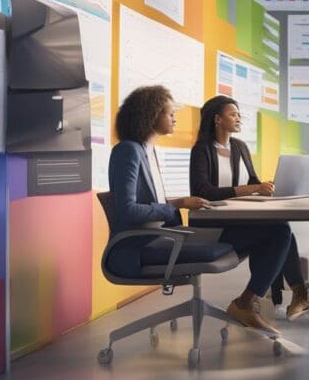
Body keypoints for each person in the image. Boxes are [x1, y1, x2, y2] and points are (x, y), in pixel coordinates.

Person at [107, 85, 290, 335]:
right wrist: (178, 204)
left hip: (169, 234)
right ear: (151, 115)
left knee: (277, 231)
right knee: (276, 233)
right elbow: (128, 211)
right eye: (169, 113)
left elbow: (150, 201)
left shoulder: (147, 151)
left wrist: (177, 202)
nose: (174, 118)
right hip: (143, 245)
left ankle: (246, 303)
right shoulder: (129, 151)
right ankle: (246, 305)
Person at [189, 95, 309, 321]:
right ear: (217, 119)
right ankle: (254, 300)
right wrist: (251, 189)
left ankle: (289, 295)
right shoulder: (202, 150)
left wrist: (266, 187)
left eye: (239, 114)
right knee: (280, 232)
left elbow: (252, 181)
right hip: (211, 227)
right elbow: (203, 190)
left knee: (280, 229)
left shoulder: (239, 147)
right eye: (233, 114)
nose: (239, 118)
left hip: (238, 220)